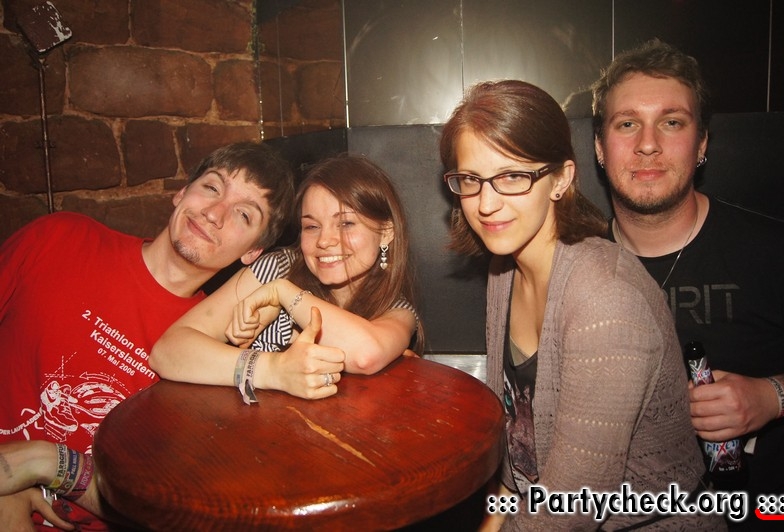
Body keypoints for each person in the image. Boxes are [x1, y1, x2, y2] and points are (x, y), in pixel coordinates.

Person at [440, 79, 725, 530]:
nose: (486, 204)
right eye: (471, 180)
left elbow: (572, 510)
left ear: (560, 179)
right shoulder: (503, 269)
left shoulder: (605, 301)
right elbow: (515, 456)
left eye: (513, 176)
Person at [0, 141, 295, 530]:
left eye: (243, 214)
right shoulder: (59, 238)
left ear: (253, 252)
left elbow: (156, 507)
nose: (214, 213)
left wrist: (42, 466)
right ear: (181, 192)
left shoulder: (208, 356)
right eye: (211, 187)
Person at [592, 38, 784, 521]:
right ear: (600, 147)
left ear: (701, 144)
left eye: (672, 122)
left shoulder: (777, 251)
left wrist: (774, 397)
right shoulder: (574, 271)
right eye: (627, 124)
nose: (648, 144)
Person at [149, 154, 421, 401]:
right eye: (311, 226)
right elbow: (168, 352)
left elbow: (365, 356)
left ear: (386, 232)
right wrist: (272, 369)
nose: (324, 240)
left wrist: (284, 293)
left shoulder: (396, 310)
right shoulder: (279, 267)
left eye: (346, 223)